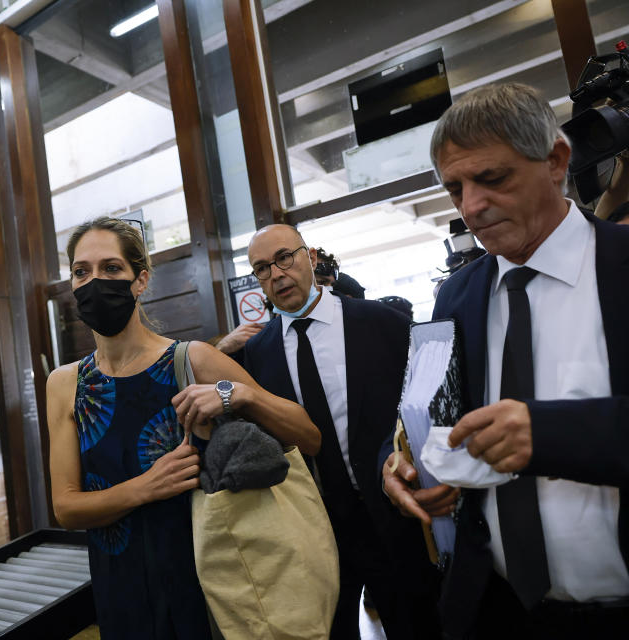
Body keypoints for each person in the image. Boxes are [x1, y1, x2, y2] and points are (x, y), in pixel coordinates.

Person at [381, 82, 629, 638]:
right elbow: (426, 407)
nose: (471, 207)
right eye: (454, 189)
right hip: (492, 610)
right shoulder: (455, 296)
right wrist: (399, 462)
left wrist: (551, 434)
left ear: (556, 160)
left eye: (492, 179)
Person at [46, 216, 321, 640]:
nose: (95, 282)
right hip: (118, 584)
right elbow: (66, 508)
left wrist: (239, 395)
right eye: (82, 272)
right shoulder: (66, 384)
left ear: (140, 281)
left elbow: (308, 436)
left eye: (111, 269)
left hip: (205, 578)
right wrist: (147, 486)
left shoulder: (191, 360)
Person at [221, 224, 440, 640]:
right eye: (262, 269)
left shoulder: (381, 323)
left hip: (389, 512)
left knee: (415, 622)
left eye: (285, 258)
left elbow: (418, 407)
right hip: (314, 525)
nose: (277, 274)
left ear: (310, 256)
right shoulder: (259, 351)